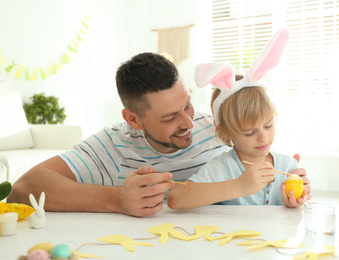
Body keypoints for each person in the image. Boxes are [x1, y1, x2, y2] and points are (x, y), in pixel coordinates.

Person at [8, 51, 311, 217]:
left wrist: (292, 179)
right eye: (169, 117)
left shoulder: (217, 126)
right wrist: (115, 199)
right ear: (133, 120)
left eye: (188, 105)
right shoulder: (112, 145)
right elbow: (24, 188)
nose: (189, 123)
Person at [168, 29, 309, 209]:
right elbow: (176, 199)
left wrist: (298, 201)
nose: (263, 138)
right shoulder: (222, 168)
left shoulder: (288, 165)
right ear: (225, 132)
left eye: (268, 125)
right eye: (249, 132)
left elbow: (301, 209)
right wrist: (240, 186)